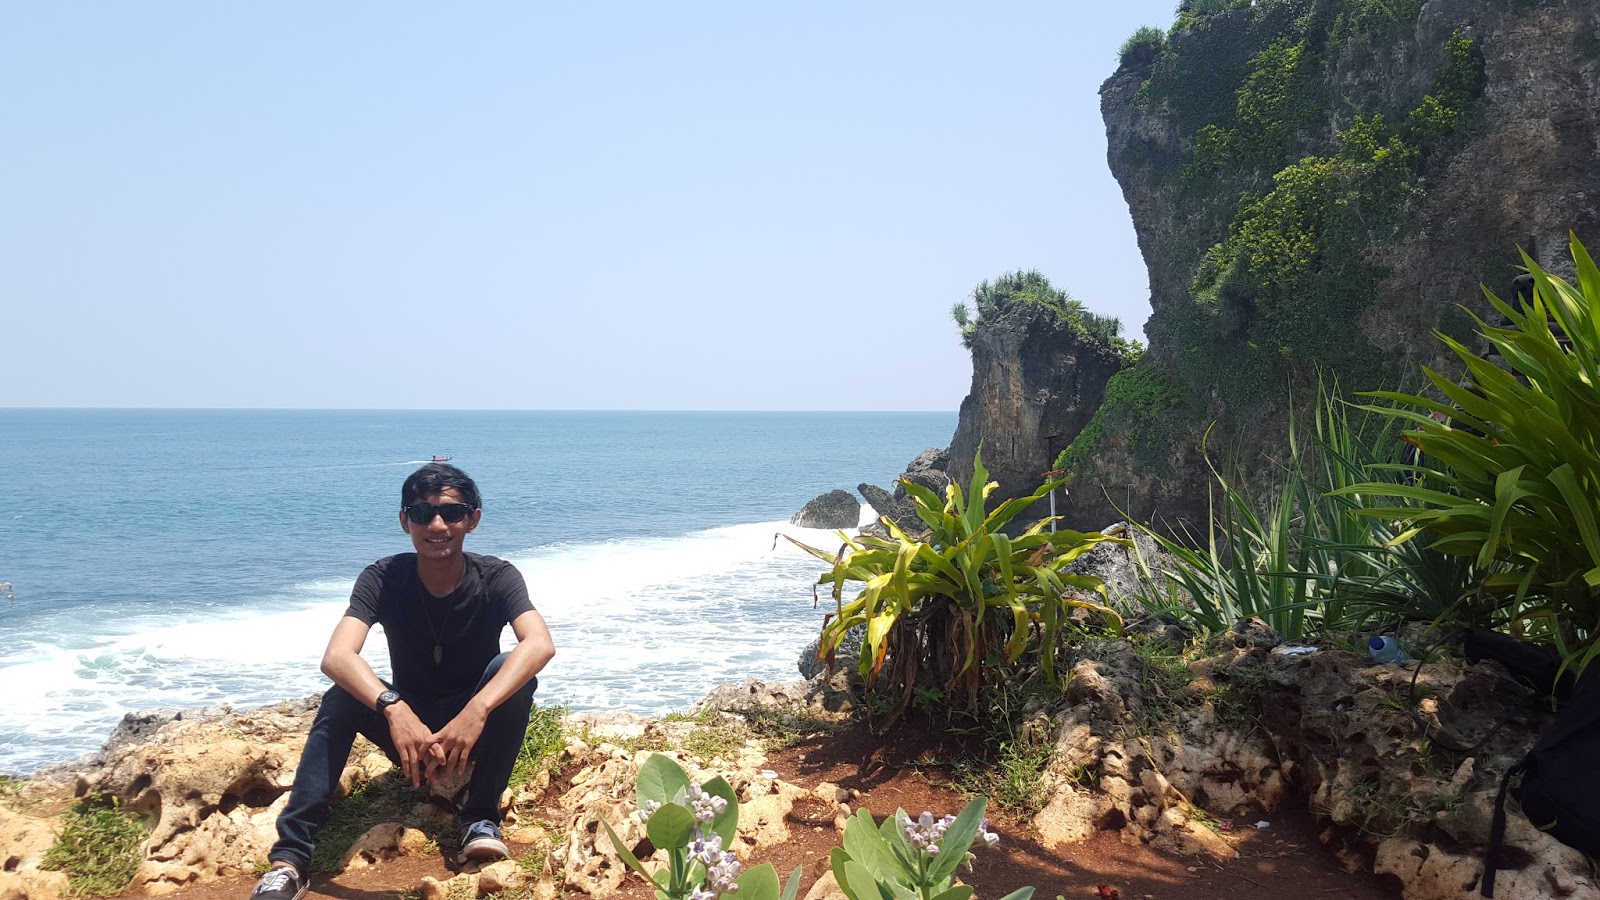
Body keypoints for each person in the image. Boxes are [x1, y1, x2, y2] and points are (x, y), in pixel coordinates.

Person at [250, 463, 556, 900]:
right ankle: (290, 861)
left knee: (512, 671)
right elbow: (337, 656)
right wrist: (393, 707)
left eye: (452, 513)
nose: (437, 525)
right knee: (341, 696)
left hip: (474, 737)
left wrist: (477, 710)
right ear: (404, 520)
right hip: (411, 739)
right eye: (422, 513)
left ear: (473, 519)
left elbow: (539, 644)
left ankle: (479, 818)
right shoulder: (383, 577)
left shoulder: (496, 576)